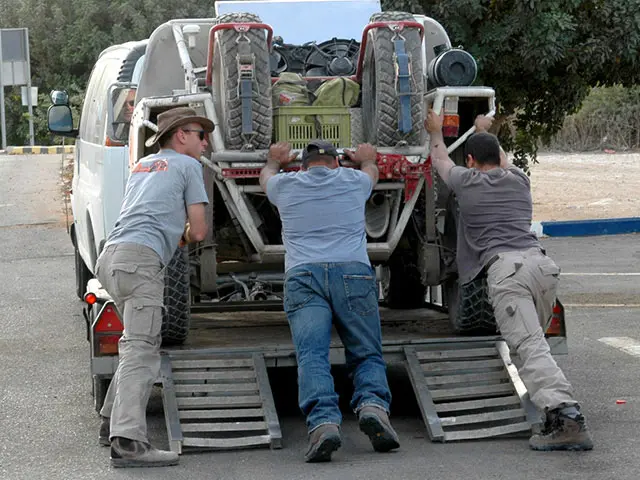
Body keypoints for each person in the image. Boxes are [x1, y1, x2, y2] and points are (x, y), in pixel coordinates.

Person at [425, 109, 594, 451]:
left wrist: (434, 132)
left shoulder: (465, 181)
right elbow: (500, 157)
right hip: (542, 268)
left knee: (529, 347)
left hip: (508, 272)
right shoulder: (518, 178)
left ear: (470, 160)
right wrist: (484, 130)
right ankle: (555, 414)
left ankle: (568, 418)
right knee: (536, 345)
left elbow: (439, 157)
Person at [260, 140, 400, 463]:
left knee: (312, 355)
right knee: (365, 351)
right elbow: (372, 172)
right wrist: (365, 158)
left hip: (303, 276)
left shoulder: (285, 185)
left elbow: (265, 178)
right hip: (353, 273)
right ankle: (374, 407)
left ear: (304, 165)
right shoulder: (354, 182)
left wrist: (273, 161)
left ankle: (323, 425)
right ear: (336, 163)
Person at [95, 106, 212, 467]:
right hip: (140, 261)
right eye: (200, 134)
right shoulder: (189, 166)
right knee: (143, 350)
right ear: (181, 135)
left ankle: (108, 423)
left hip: (111, 257)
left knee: (133, 343)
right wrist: (183, 236)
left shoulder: (143, 165)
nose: (205, 142)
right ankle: (128, 442)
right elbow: (200, 231)